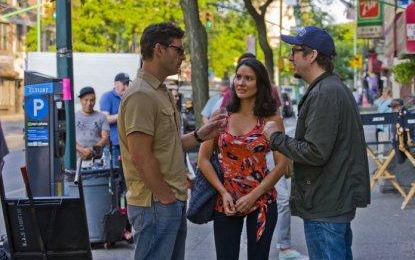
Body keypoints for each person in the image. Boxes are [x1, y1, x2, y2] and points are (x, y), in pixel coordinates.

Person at [117, 22, 226, 260]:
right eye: (178, 50)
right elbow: (140, 155)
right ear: (159, 49)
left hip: (169, 201)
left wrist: (200, 134)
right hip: (156, 204)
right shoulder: (140, 95)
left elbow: (168, 145)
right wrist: (165, 197)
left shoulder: (160, 91)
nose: (182, 56)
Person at [263, 26, 370, 260]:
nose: (290, 57)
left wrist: (275, 138)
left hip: (326, 207)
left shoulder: (325, 93)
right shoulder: (328, 88)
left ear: (311, 56)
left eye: (295, 50)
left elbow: (315, 152)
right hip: (330, 202)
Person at [198, 58, 288, 260]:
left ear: (260, 84)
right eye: (238, 77)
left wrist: (253, 196)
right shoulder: (221, 116)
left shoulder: (271, 120)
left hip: (262, 200)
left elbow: (282, 164)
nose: (241, 83)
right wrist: (222, 192)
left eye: (248, 78)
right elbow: (203, 159)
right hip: (226, 201)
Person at [100, 72, 130, 167]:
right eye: (124, 84)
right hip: (114, 144)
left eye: (127, 84)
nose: (126, 87)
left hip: (128, 143)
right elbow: (105, 119)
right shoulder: (107, 97)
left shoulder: (129, 97)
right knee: (115, 172)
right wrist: (123, 114)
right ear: (116, 84)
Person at [75, 86, 110, 161]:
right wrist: (82, 150)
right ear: (80, 100)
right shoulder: (74, 117)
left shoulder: (101, 117)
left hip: (96, 160)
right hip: (77, 159)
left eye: (92, 100)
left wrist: (91, 150)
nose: (89, 103)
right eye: (86, 100)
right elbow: (69, 139)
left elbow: (105, 138)